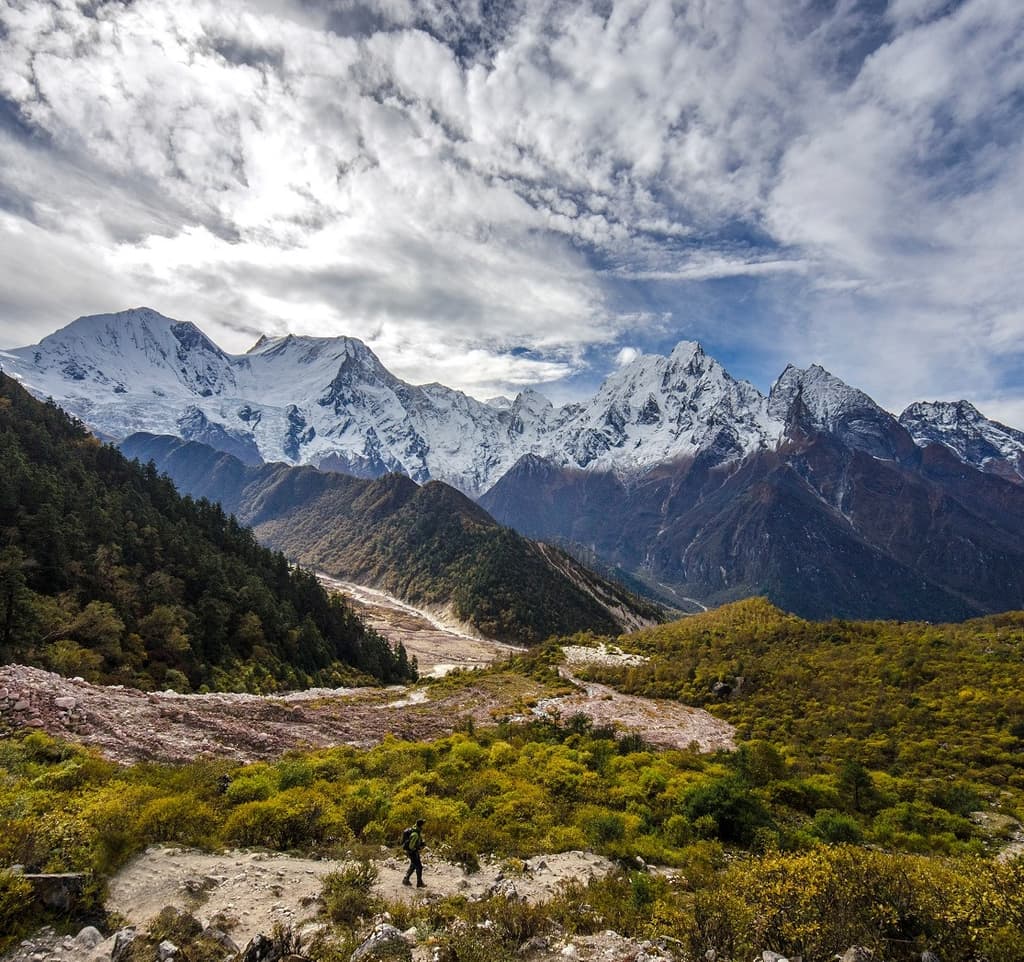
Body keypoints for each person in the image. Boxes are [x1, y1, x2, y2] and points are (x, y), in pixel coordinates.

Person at [402, 817, 426, 887]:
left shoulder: (415, 829)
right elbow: (411, 847)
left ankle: (406, 880)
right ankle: (419, 883)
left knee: (413, 865)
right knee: (419, 867)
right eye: (423, 824)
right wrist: (418, 847)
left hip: (411, 852)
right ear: (421, 825)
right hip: (412, 852)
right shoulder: (415, 834)